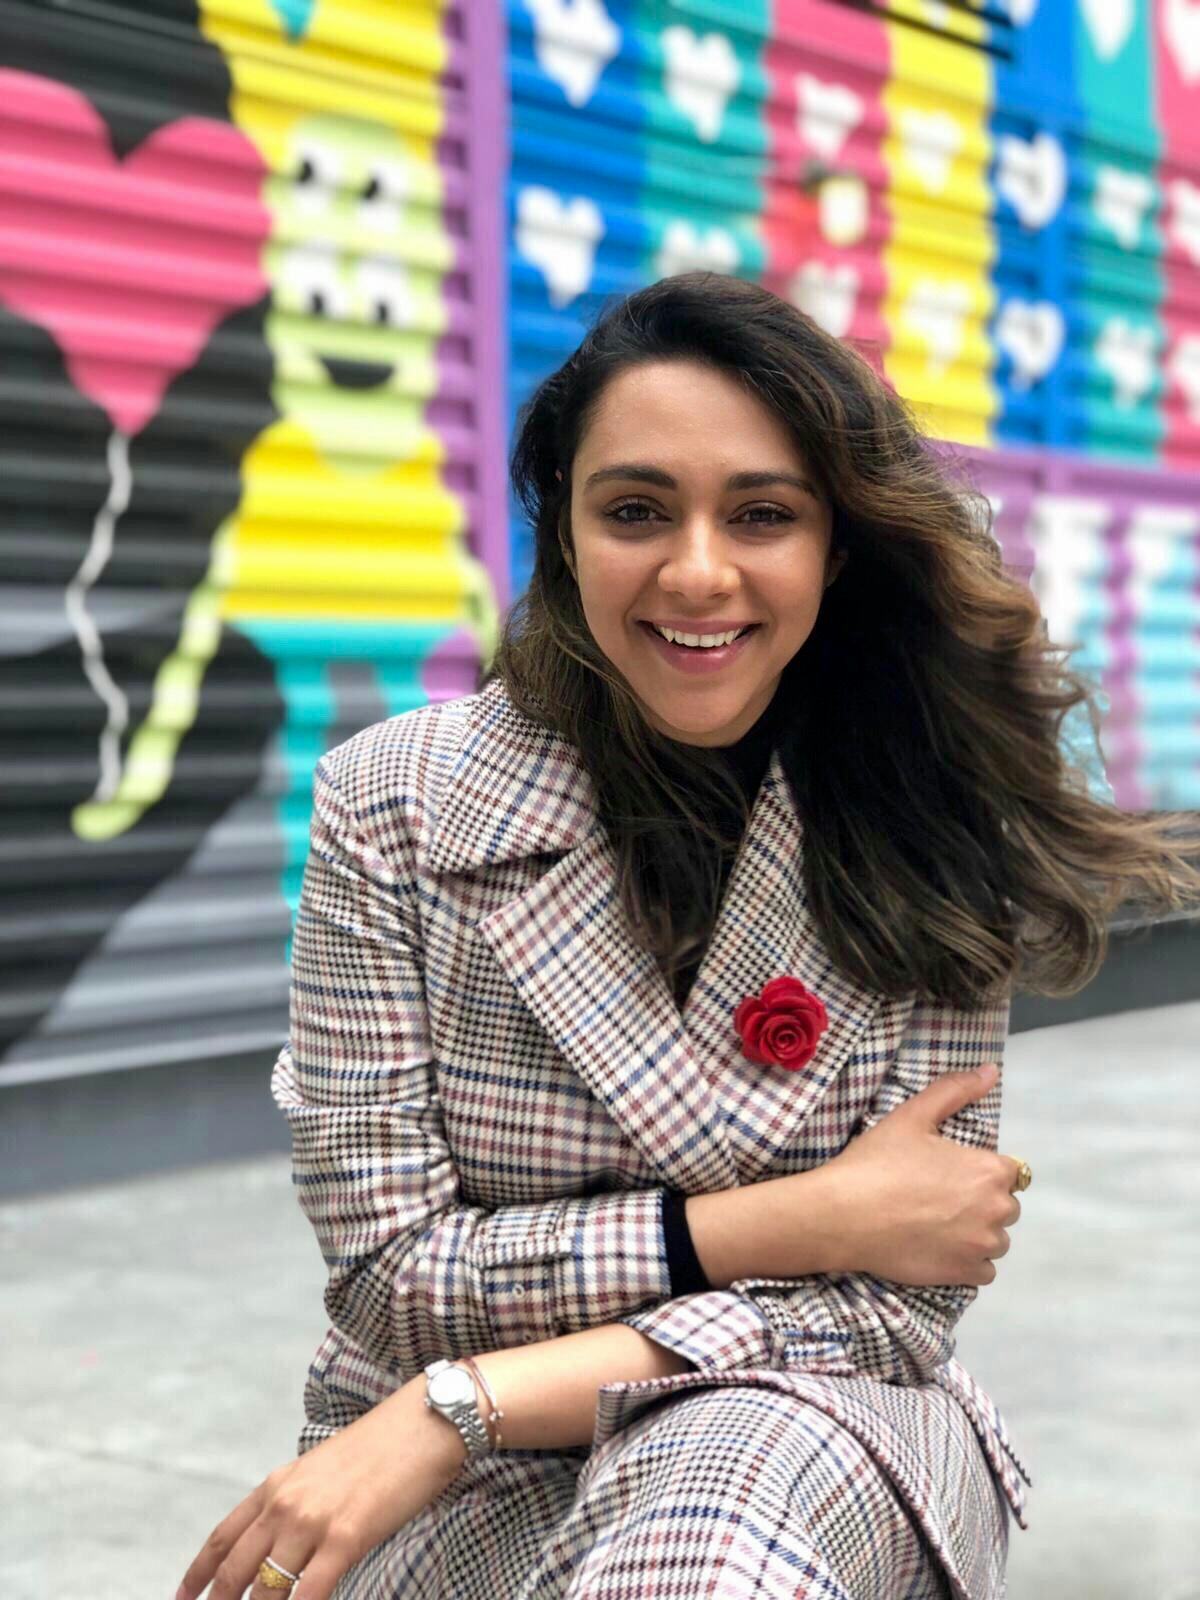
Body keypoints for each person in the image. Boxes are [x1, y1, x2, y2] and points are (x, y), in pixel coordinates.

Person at [176, 272, 1200, 1600]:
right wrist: (808, 1215)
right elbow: (393, 1276)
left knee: (707, 1533)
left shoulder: (927, 811)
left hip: (813, 1419)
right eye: (637, 511)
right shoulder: (398, 808)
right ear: (565, 536)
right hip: (440, 1462)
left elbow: (891, 1306)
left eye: (762, 514)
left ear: (835, 545)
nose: (698, 571)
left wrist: (468, 1396)